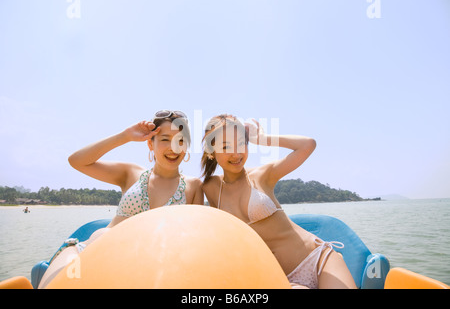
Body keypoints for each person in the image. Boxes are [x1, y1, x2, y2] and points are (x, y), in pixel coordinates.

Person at [38, 110, 204, 288]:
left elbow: (193, 242)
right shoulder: (131, 173)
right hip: (88, 251)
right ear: (150, 143)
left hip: (139, 269)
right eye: (165, 139)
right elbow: (77, 161)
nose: (174, 147)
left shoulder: (193, 186)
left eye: (180, 140)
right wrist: (125, 136)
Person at [201, 114, 356, 289]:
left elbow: (308, 145)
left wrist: (264, 139)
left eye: (241, 143)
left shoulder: (262, 175)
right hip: (279, 280)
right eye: (226, 146)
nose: (236, 153)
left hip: (317, 260)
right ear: (211, 151)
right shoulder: (210, 188)